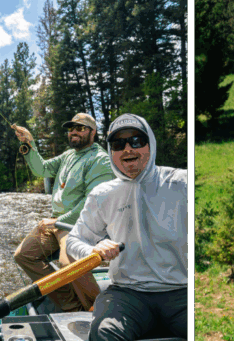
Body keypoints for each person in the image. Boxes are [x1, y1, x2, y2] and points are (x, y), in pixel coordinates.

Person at [66, 113, 188, 340]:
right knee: (104, 333)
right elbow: (73, 241)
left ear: (150, 144)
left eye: (136, 141)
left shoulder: (182, 183)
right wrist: (94, 251)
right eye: (118, 144)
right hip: (126, 294)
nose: (128, 149)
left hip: (182, 291)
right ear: (111, 152)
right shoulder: (103, 194)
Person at [11, 113, 115, 312]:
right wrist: (30, 144)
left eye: (80, 128)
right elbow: (42, 169)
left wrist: (59, 221)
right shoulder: (68, 155)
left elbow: (92, 203)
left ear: (93, 132)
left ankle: (100, 310)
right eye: (71, 128)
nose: (74, 132)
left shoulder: (100, 160)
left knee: (68, 262)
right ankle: (71, 305)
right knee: (23, 255)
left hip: (79, 224)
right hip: (56, 222)